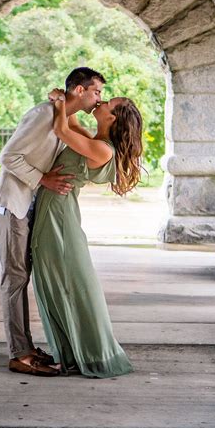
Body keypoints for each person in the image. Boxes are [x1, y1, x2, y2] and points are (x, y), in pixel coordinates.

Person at [0, 67, 106, 376]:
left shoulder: (60, 115)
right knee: (15, 278)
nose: (98, 99)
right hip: (12, 202)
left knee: (22, 275)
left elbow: (89, 143)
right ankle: (19, 354)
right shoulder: (43, 114)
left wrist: (63, 110)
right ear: (80, 90)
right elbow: (8, 156)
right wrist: (43, 179)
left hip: (27, 204)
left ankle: (24, 345)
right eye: (96, 92)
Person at [31, 90, 143, 378]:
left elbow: (61, 128)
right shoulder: (97, 141)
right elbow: (73, 126)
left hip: (59, 213)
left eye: (109, 103)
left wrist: (59, 101)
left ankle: (89, 353)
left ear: (113, 117)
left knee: (69, 282)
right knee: (56, 280)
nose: (102, 102)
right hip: (56, 207)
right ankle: (68, 350)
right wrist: (71, 103)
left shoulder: (103, 149)